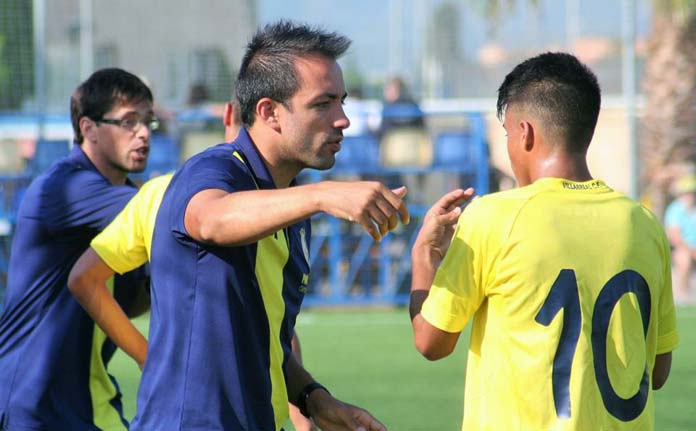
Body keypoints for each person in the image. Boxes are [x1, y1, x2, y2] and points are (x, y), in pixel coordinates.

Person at [71, 21, 408, 431]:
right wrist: (324, 196)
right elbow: (210, 218)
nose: (343, 120)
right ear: (269, 112)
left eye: (343, 101)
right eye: (324, 104)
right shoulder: (213, 169)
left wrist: (314, 399)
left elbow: (267, 344)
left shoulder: (289, 202)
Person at [409, 52, 679, 430]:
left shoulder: (494, 216)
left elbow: (431, 342)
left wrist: (423, 256)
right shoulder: (644, 223)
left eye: (507, 135)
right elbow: (658, 369)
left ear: (525, 133)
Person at [68, 101, 316, 431]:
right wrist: (148, 355)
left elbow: (276, 331)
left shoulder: (292, 210)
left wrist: (309, 400)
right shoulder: (167, 193)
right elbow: (85, 278)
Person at [0, 68, 157, 430]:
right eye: (129, 122)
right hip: (34, 404)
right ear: (88, 129)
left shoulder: (124, 202)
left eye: (148, 122)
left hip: (83, 401)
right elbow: (171, 209)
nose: (144, 133)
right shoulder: (67, 189)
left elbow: (132, 300)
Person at [664, 175, 696, 303]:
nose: (689, 196)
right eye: (686, 193)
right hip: (684, 249)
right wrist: (692, 251)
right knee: (683, 259)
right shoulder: (674, 210)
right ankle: (683, 296)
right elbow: (675, 238)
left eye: (691, 193)